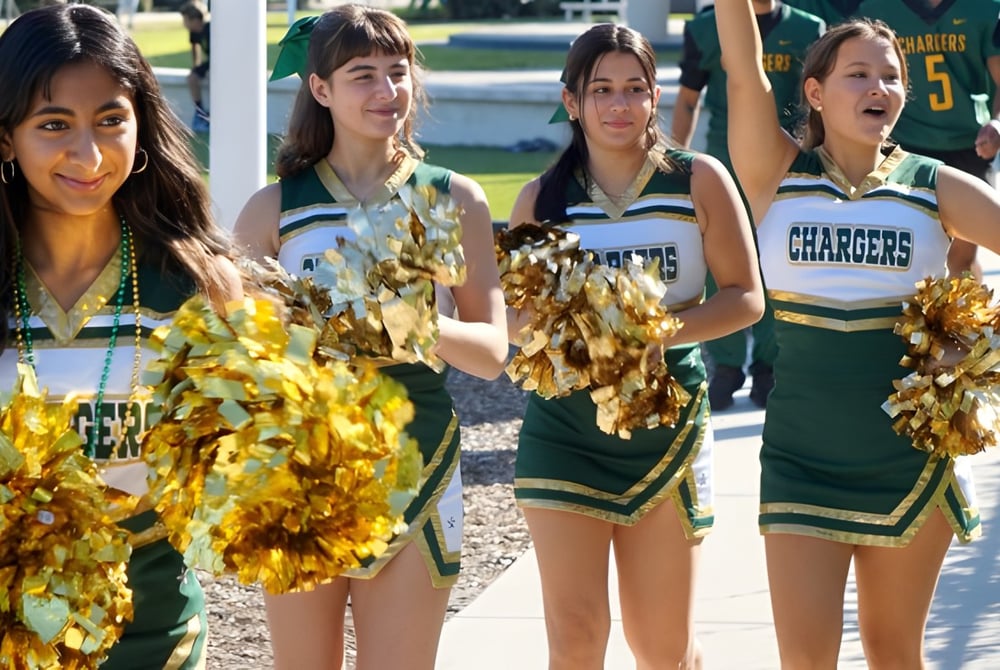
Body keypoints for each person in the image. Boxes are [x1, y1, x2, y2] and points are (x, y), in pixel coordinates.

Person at [716, 0, 1000, 665]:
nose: (880, 88)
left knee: (893, 653)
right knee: (805, 660)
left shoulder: (935, 187)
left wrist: (978, 343)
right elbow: (741, 71)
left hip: (906, 453)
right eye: (858, 75)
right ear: (814, 92)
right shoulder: (775, 175)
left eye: (891, 76)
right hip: (800, 454)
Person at [232, 5, 508, 670]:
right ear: (320, 89)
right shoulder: (275, 208)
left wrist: (415, 322)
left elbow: (494, 354)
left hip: (417, 459)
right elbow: (232, 359)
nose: (387, 91)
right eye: (364, 75)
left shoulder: (450, 198)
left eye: (398, 72)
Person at [507, 23, 764, 670]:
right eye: (601, 90)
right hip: (564, 428)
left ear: (655, 97)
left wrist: (656, 333)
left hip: (666, 423)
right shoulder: (541, 198)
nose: (619, 105)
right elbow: (515, 319)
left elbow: (745, 297)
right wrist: (576, 330)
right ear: (572, 101)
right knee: (575, 637)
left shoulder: (698, 179)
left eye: (635, 89)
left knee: (662, 647)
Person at [0, 4, 241, 668]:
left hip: (154, 631)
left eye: (111, 121)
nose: (89, 153)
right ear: (5, 139)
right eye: (54, 125)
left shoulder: (197, 285)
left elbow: (239, 470)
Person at [673, 0, 824, 410]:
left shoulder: (809, 28)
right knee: (719, 266)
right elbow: (688, 98)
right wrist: (673, 158)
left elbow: (817, 104)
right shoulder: (705, 28)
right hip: (721, 159)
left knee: (774, 259)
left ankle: (767, 365)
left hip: (780, 162)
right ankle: (726, 364)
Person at [856, 0, 1000, 280]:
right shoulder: (878, 9)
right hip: (904, 144)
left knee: (962, 254)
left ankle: (962, 320)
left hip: (968, 144)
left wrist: (997, 123)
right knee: (912, 249)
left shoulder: (983, 8)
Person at [179, 1, 209, 133]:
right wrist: (196, 66)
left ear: (195, 19)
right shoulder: (194, 32)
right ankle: (200, 112)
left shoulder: (210, 29)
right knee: (192, 78)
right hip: (211, 62)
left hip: (219, 61)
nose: (183, 23)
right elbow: (195, 49)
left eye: (185, 19)